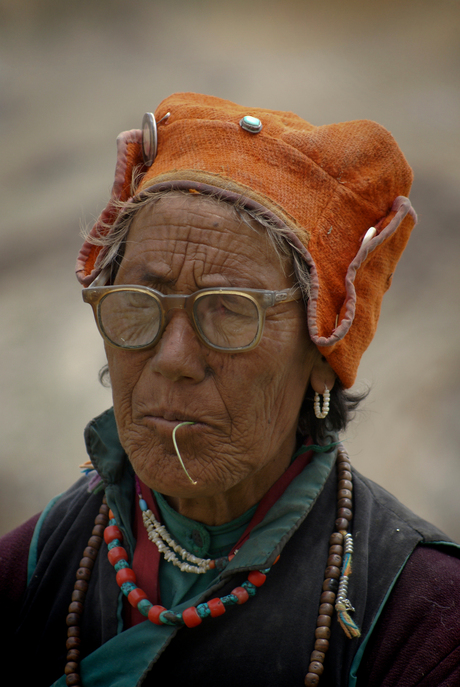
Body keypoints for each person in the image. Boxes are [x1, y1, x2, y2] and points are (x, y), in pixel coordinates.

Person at [1, 93, 459, 687]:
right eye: (141, 303)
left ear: (324, 356)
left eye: (230, 312)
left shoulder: (423, 620)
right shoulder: (36, 566)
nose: (172, 360)